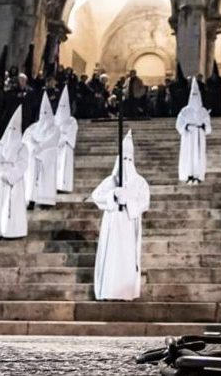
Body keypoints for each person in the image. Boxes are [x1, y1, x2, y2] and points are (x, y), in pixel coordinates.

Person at [90, 129, 150, 300]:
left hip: (128, 225)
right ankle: (108, 290)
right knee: (111, 257)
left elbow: (144, 202)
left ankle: (125, 291)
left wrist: (128, 202)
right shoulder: (110, 181)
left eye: (129, 159)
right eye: (124, 158)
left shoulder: (140, 182)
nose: (126, 162)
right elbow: (96, 196)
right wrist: (113, 195)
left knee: (125, 257)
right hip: (112, 224)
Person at [0, 106, 28, 239]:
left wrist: (10, 175)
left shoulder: (22, 147)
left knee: (12, 207)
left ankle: (12, 231)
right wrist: (1, 174)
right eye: (11, 129)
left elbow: (22, 164)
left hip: (14, 181)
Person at [24, 96, 59, 208]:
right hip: (34, 156)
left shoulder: (55, 128)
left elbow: (52, 140)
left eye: (46, 112)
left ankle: (46, 200)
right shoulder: (33, 127)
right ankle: (31, 199)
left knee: (46, 178)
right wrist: (33, 145)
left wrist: (40, 146)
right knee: (32, 178)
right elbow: (26, 137)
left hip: (47, 156)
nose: (44, 115)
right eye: (42, 113)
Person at [176, 81, 211, 185]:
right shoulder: (184, 111)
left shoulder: (203, 111)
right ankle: (188, 174)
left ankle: (198, 174)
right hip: (189, 137)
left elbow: (208, 125)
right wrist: (186, 127)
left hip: (199, 136)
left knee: (198, 155)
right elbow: (179, 124)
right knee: (189, 155)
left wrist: (203, 127)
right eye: (193, 95)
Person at [54, 86, 78, 194]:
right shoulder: (54, 119)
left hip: (66, 147)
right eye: (61, 106)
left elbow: (71, 133)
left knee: (65, 167)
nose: (63, 108)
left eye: (65, 106)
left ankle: (64, 186)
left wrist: (63, 139)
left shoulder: (71, 120)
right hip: (55, 147)